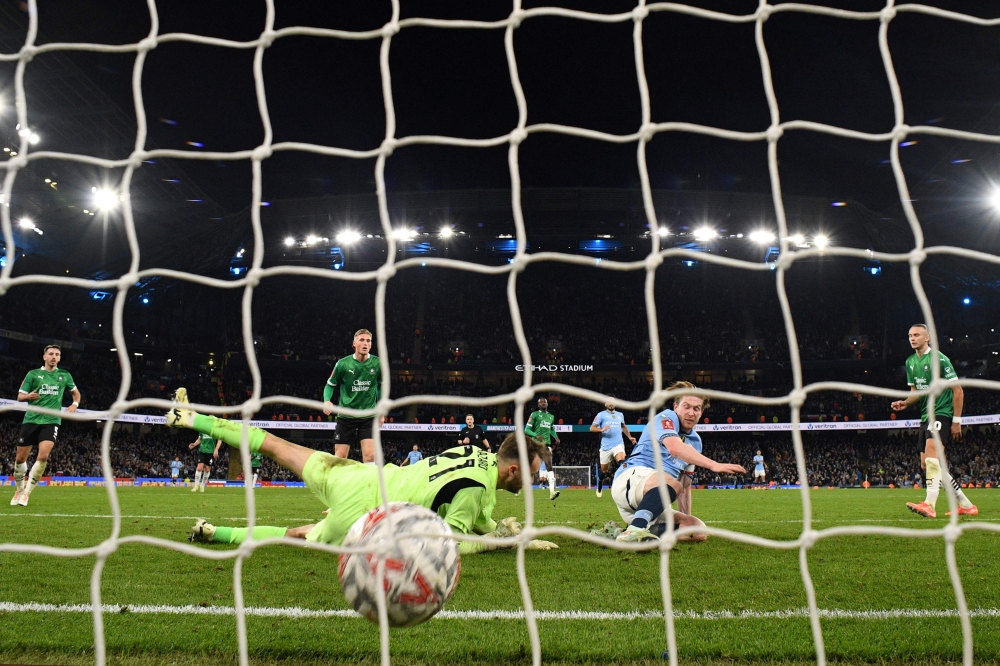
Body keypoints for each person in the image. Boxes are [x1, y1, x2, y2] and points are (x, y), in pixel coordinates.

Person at [166, 388, 558, 553]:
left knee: (275, 445)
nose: (532, 482)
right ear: (511, 471)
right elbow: (451, 542)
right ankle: (218, 534)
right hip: (365, 516)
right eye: (532, 474)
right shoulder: (475, 492)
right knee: (298, 535)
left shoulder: (474, 455)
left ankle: (193, 418)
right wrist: (500, 542)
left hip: (359, 476)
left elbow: (475, 512)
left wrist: (498, 528)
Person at [612, 381, 745, 542]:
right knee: (672, 483)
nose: (691, 412)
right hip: (629, 481)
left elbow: (685, 486)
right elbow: (674, 448)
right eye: (686, 407)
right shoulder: (666, 417)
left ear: (702, 412)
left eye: (696, 409)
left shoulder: (695, 443)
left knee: (697, 531)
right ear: (676, 407)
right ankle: (636, 529)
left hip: (652, 504)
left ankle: (626, 532)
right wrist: (714, 465)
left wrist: (685, 520)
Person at [891, 323, 976, 518]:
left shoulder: (940, 359)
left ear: (927, 338)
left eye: (917, 335)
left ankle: (929, 504)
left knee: (932, 459)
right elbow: (915, 392)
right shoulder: (911, 362)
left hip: (942, 413)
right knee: (926, 465)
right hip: (925, 415)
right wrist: (905, 403)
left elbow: (958, 390)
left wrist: (956, 421)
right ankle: (966, 504)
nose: (913, 338)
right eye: (910, 335)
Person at [10, 345, 81, 507]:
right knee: (20, 458)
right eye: (51, 354)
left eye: (57, 354)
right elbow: (20, 396)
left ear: (60, 358)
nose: (54, 357)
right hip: (31, 420)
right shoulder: (33, 374)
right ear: (44, 357)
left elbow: (76, 394)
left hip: (51, 421)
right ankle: (19, 490)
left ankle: (27, 493)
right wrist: (28, 396)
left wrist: (74, 405)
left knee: (43, 456)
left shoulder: (65, 375)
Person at [323, 329, 382, 463]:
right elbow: (330, 385)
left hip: (368, 416)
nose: (365, 343)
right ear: (354, 343)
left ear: (371, 344)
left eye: (368, 340)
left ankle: (369, 484)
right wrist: (327, 401)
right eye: (361, 340)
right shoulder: (343, 364)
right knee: (340, 457)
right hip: (346, 416)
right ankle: (339, 484)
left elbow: (380, 386)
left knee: (371, 457)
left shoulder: (378, 363)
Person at [590, 400, 635, 498]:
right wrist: (601, 429)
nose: (611, 404)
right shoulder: (601, 415)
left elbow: (623, 426)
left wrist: (629, 437)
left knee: (622, 463)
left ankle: (626, 487)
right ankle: (600, 484)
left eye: (612, 402)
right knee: (604, 471)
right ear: (605, 404)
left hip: (618, 444)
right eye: (608, 402)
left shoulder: (620, 415)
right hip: (606, 447)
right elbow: (592, 428)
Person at [526, 398, 561, 500]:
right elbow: (527, 430)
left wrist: (556, 437)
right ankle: (518, 485)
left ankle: (552, 492)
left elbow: (551, 429)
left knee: (549, 466)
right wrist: (536, 435)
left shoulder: (551, 416)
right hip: (534, 444)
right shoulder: (534, 415)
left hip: (546, 445)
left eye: (544, 402)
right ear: (538, 405)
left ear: (547, 404)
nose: (543, 404)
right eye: (541, 402)